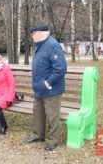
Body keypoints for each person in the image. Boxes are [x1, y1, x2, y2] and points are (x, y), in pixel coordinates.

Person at [26, 23, 67, 151]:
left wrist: (48, 82)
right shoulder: (39, 45)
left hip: (51, 89)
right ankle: (38, 135)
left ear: (41, 33)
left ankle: (54, 140)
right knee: (37, 113)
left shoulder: (52, 45)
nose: (32, 36)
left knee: (52, 115)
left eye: (33, 34)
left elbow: (60, 69)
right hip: (39, 89)